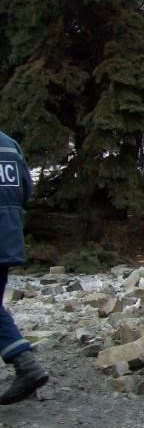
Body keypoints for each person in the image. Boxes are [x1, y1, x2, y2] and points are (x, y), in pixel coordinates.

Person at [0, 130, 49, 404]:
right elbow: (26, 190)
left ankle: (27, 365)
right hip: (7, 237)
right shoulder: (9, 145)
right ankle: (26, 367)